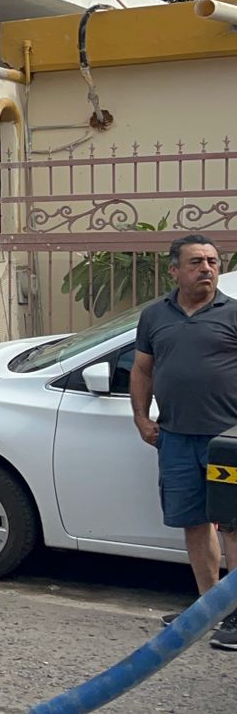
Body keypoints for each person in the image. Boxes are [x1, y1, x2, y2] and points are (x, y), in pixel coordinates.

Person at [130, 233, 237, 650]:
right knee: (193, 522)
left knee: (233, 524)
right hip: (174, 437)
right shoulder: (155, 316)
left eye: (212, 261)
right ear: (174, 270)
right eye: (196, 262)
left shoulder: (233, 313)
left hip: (227, 441)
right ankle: (208, 608)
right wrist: (141, 418)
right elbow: (142, 370)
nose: (206, 268)